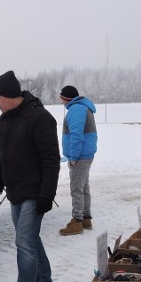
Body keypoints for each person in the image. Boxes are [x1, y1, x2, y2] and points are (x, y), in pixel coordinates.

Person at [0, 70, 60, 282]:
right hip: (15, 192)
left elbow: (51, 160)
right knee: (30, 239)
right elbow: (0, 160)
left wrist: (46, 195)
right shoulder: (3, 122)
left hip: (34, 192)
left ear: (9, 95)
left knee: (24, 242)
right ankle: (43, 280)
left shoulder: (39, 118)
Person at [58, 85, 97, 236]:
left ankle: (77, 221)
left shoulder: (76, 110)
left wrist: (73, 157)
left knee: (76, 188)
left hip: (80, 156)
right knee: (83, 187)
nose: (61, 102)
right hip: (85, 154)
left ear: (66, 98)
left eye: (61, 98)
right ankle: (86, 218)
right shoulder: (81, 108)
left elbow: (76, 135)